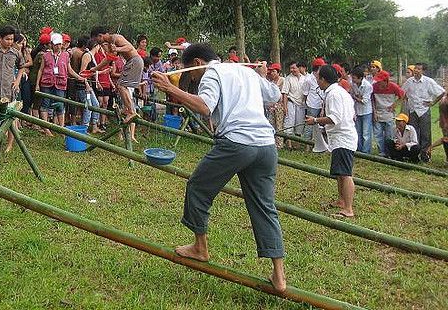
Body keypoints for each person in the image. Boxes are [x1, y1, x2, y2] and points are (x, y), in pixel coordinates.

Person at [150, 43, 286, 292]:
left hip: (236, 143)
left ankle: (200, 247)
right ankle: (279, 276)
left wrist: (170, 88)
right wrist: (262, 76)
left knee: (198, 187)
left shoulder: (211, 73)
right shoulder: (245, 71)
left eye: (189, 71)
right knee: (264, 206)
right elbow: (274, 96)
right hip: (266, 147)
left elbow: (204, 106)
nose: (191, 76)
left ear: (197, 62)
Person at [305, 65, 357, 218]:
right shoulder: (339, 91)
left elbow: (334, 118)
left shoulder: (334, 94)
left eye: (318, 78)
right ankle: (342, 201)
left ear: (323, 79)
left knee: (346, 174)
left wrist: (315, 120)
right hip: (340, 137)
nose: (317, 81)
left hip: (343, 138)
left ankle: (348, 209)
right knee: (340, 173)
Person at [90, 26, 143, 124]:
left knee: (121, 86)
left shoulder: (116, 38)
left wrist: (118, 48)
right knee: (121, 85)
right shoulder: (111, 44)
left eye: (96, 39)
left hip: (134, 61)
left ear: (100, 36)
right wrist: (95, 68)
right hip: (131, 62)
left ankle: (131, 111)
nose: (96, 42)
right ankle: (128, 109)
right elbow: (108, 59)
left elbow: (129, 47)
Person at [36, 33, 83, 134]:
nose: (58, 46)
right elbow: (41, 70)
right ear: (52, 44)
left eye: (60, 44)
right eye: (56, 44)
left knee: (60, 105)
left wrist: (78, 77)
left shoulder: (66, 56)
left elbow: (69, 70)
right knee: (45, 104)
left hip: (60, 83)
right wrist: (37, 84)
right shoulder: (46, 55)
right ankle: (46, 129)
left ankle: (61, 128)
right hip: (47, 83)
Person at [402, 63, 445, 162]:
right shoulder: (409, 81)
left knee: (425, 134)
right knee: (413, 133)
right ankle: (414, 155)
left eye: (419, 69)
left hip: (424, 110)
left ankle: (425, 155)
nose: (416, 70)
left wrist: (433, 102)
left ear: (423, 71)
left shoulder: (428, 81)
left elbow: (441, 92)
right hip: (413, 110)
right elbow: (402, 92)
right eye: (415, 68)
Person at [371, 70, 405, 157]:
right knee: (378, 134)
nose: (378, 83)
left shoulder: (393, 87)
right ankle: (381, 152)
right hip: (378, 113)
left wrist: (395, 104)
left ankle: (389, 152)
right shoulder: (374, 87)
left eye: (380, 81)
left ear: (385, 81)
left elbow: (402, 95)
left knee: (389, 134)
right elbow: (372, 100)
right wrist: (374, 112)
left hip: (389, 114)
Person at [350, 66, 373, 154]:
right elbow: (353, 95)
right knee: (357, 131)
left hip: (366, 111)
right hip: (357, 111)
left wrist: (356, 98)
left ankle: (366, 151)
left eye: (354, 78)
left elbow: (365, 101)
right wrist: (357, 98)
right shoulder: (353, 84)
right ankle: (359, 149)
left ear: (360, 78)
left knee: (366, 133)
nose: (353, 80)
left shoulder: (367, 86)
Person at [281, 61, 305, 148]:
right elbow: (285, 93)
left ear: (298, 68)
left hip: (301, 104)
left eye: (294, 68)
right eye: (291, 68)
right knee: (289, 123)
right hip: (291, 102)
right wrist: (285, 106)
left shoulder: (304, 78)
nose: (292, 70)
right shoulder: (288, 78)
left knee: (300, 123)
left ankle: (297, 145)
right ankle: (289, 145)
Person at [301, 58, 325, 141]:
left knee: (318, 126)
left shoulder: (321, 78)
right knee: (309, 126)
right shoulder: (308, 79)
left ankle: (315, 143)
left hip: (320, 105)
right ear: (318, 68)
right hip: (312, 105)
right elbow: (305, 93)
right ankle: (306, 143)